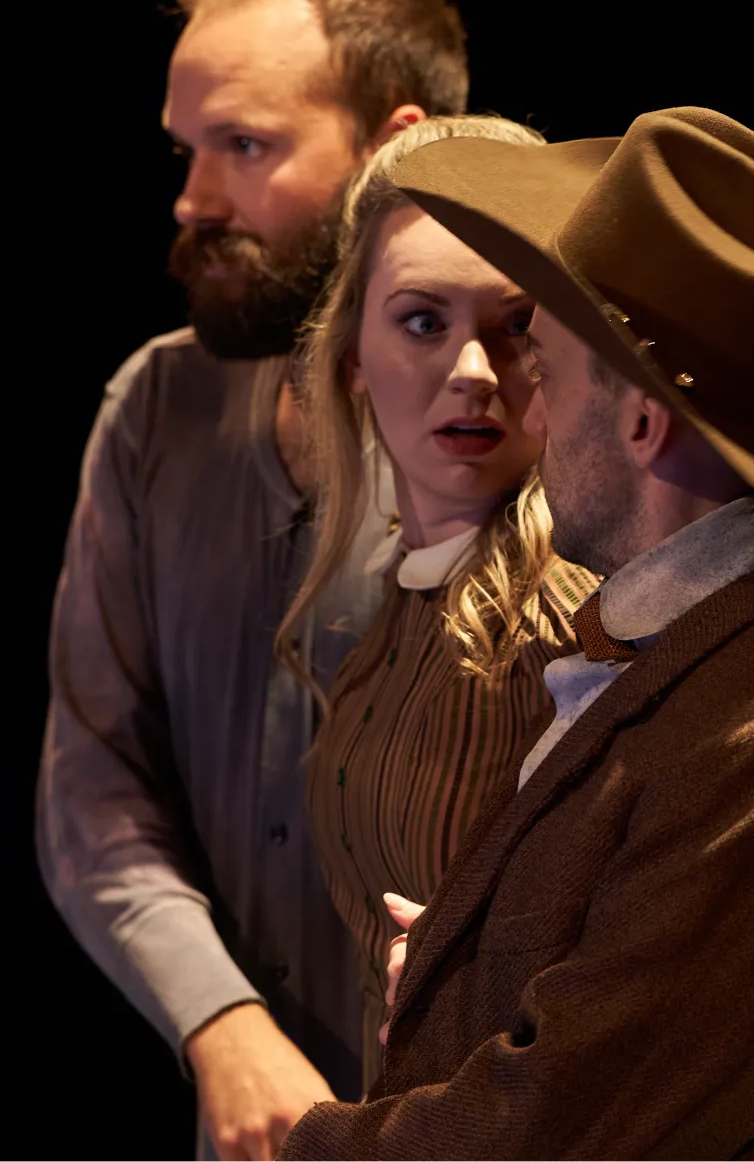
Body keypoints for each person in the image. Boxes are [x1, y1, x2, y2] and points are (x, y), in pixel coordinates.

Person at [275, 107, 754, 1160]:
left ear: (645, 425)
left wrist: (298, 1144)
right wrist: (464, 975)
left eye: (546, 369)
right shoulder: (685, 650)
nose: (536, 414)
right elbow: (631, 1007)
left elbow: (554, 1131)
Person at [36, 0, 467, 1161]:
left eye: (247, 145)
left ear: (401, 147)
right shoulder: (155, 408)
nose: (192, 197)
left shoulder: (521, 429)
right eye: (188, 148)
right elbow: (91, 782)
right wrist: (221, 1021)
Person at [276, 115, 598, 1089]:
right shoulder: (403, 598)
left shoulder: (572, 621)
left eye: (513, 328)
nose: (472, 372)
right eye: (424, 321)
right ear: (353, 362)